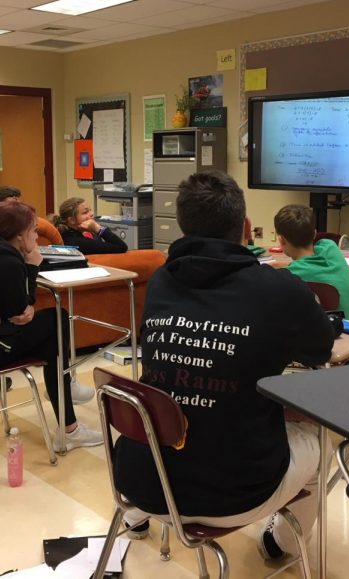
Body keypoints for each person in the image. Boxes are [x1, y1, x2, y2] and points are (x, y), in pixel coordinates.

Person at [112, 171, 334, 560]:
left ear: (181, 225)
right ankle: (280, 544)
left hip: (142, 480)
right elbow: (319, 351)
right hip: (236, 492)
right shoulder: (279, 290)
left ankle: (134, 519)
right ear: (246, 227)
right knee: (320, 439)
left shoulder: (162, 280)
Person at [0, 201, 102, 446]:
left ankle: (66, 405)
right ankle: (66, 407)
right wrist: (32, 268)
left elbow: (13, 310)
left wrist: (25, 306)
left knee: (51, 336)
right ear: (19, 235)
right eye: (34, 231)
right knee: (57, 321)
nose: (36, 236)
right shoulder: (6, 262)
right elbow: (18, 310)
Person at [274, 204, 349, 319]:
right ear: (314, 233)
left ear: (281, 240)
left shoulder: (289, 276)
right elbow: (309, 264)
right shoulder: (330, 247)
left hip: (326, 334)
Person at [52, 197, 127, 254]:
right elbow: (121, 247)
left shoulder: (63, 233)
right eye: (85, 212)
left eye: (90, 210)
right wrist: (98, 229)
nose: (91, 214)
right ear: (72, 220)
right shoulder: (78, 242)